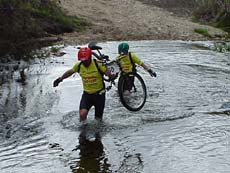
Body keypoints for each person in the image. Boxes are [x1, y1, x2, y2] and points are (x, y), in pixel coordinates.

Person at [53, 47, 115, 121]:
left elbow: (109, 76)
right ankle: (83, 130)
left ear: (90, 57)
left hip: (99, 95)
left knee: (98, 120)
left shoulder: (98, 64)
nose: (84, 62)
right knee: (82, 114)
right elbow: (70, 72)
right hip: (87, 95)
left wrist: (112, 75)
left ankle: (98, 132)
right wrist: (60, 79)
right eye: (82, 60)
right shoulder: (79, 65)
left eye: (86, 60)